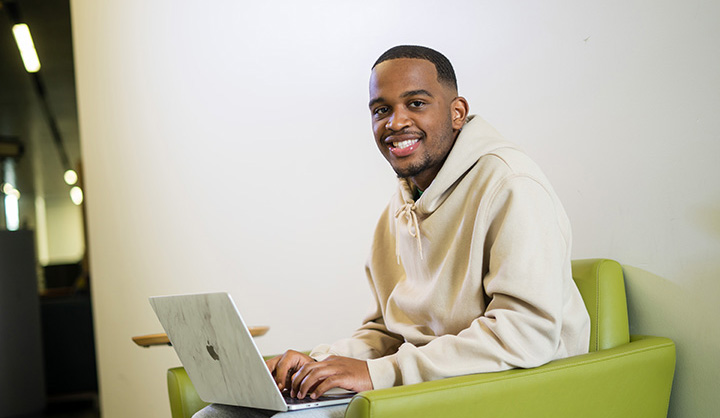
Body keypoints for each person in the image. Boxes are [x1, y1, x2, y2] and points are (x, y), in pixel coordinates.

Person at [194, 45, 590, 418]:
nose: (396, 121)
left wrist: (378, 375)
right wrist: (317, 363)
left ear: (457, 112)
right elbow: (388, 330)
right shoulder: (403, 202)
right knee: (219, 414)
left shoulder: (511, 184)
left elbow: (526, 334)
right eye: (381, 109)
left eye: (415, 103)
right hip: (425, 386)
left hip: (504, 391)